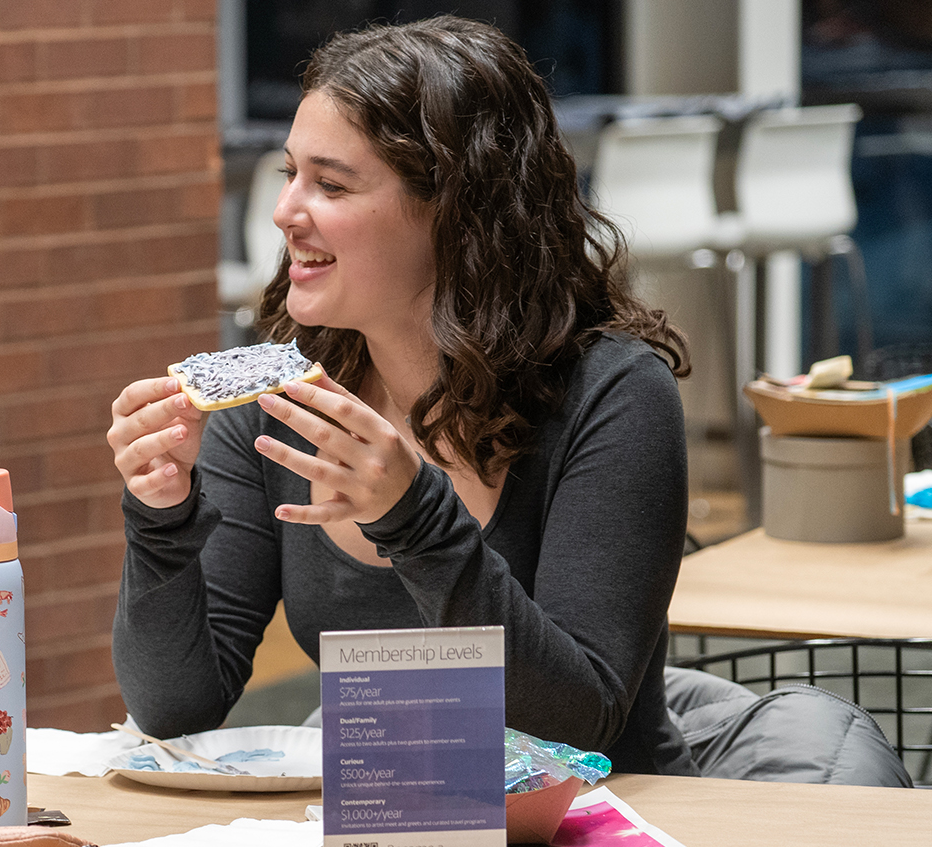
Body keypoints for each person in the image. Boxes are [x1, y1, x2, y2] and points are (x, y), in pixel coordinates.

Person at [107, 16, 698, 775]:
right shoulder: (274, 403)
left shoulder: (611, 395)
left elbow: (579, 721)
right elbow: (178, 710)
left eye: (331, 183)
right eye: (289, 174)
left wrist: (412, 519)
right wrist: (161, 515)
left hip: (592, 818)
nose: (287, 210)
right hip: (383, 813)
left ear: (455, 210)